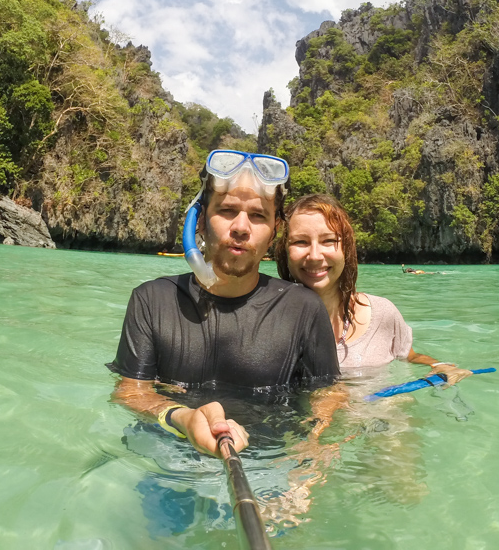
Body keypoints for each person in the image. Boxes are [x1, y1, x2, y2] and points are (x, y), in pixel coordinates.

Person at [109, 151, 341, 459]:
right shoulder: (152, 300)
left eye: (258, 216)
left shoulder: (302, 309)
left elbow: (327, 396)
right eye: (228, 210)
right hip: (169, 456)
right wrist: (181, 417)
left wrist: (309, 455)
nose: (242, 228)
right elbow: (130, 392)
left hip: (266, 462)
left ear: (274, 233)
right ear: (201, 221)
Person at [275, 194, 472, 383]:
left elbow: (408, 356)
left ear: (346, 249)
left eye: (329, 240)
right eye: (300, 242)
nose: (315, 255)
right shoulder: (269, 322)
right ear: (284, 251)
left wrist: (439, 365)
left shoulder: (383, 314)